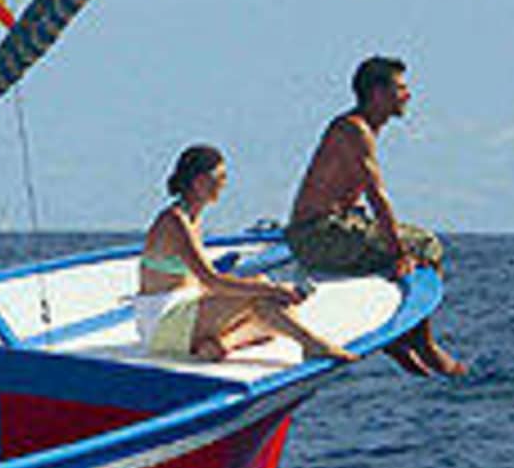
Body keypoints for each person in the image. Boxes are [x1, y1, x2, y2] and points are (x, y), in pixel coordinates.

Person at [286, 56, 463, 376]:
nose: (408, 95)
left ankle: (403, 339)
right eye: (400, 88)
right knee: (427, 245)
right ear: (378, 93)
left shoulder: (358, 128)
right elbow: (377, 195)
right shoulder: (355, 130)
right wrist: (399, 252)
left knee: (408, 245)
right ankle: (422, 343)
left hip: (323, 231)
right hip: (318, 237)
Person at [140, 146, 355, 365]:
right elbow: (211, 280)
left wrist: (263, 290)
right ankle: (312, 344)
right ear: (200, 182)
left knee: (273, 314)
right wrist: (271, 289)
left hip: (184, 312)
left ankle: (222, 344)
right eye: (220, 177)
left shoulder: (192, 218)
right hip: (162, 323)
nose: (224, 184)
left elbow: (203, 282)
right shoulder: (174, 222)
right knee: (263, 298)